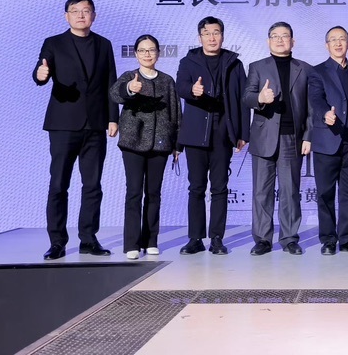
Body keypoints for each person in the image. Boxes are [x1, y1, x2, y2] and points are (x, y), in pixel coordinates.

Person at [33, 0, 118, 260]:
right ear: (66, 16)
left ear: (94, 15)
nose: (81, 15)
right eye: (75, 10)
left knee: (93, 185)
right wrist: (40, 75)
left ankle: (88, 239)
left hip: (95, 125)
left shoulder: (104, 44)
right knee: (59, 184)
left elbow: (111, 83)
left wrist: (113, 118)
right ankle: (57, 241)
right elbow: (40, 70)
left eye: (86, 10)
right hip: (63, 124)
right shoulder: (54, 43)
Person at [176, 16, 249, 256]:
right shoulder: (189, 61)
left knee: (220, 187)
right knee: (196, 187)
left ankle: (217, 238)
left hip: (223, 133)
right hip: (195, 133)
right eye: (207, 33)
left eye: (216, 32)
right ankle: (195, 238)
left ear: (222, 36)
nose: (212, 37)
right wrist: (192, 90)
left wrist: (242, 133)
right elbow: (180, 87)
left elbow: (243, 99)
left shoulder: (234, 63)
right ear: (200, 37)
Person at [243, 22, 314, 256]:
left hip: (292, 138)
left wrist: (308, 136)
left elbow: (312, 107)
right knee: (261, 191)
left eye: (285, 36)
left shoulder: (305, 69)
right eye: (275, 36)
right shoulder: (257, 67)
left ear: (293, 41)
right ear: (268, 41)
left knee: (290, 191)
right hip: (264, 137)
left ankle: (290, 238)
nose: (280, 40)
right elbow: (246, 97)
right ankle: (263, 239)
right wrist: (260, 98)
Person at [109, 35, 181, 260]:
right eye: (142, 50)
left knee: (154, 193)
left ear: (158, 53)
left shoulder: (167, 80)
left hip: (160, 143)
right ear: (136, 54)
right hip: (133, 142)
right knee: (134, 192)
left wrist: (177, 144)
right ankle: (131, 243)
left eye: (151, 50)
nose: (147, 54)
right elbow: (114, 94)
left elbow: (176, 113)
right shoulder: (129, 76)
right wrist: (130, 88)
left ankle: (151, 240)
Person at [308, 26, 348, 255]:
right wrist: (325, 113)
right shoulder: (317, 72)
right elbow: (316, 98)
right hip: (327, 141)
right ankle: (328, 239)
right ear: (327, 45)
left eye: (342, 39)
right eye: (333, 39)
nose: (338, 43)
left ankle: (347, 239)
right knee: (325, 193)